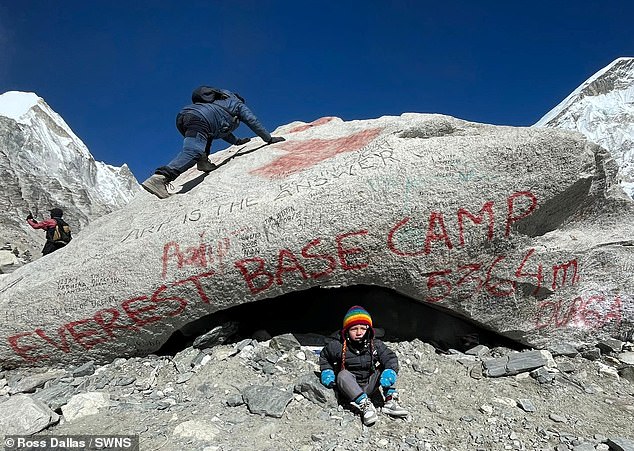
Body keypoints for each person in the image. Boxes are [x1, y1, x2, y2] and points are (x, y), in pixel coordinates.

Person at [141, 86, 286, 199]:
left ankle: (203, 162)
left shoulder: (217, 102)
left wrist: (236, 142)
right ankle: (161, 178)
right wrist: (269, 139)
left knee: (203, 138)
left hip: (185, 117)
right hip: (201, 120)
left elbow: (221, 129)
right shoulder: (237, 104)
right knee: (193, 151)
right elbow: (252, 121)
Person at [319, 305, 409, 426]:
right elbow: (325, 357)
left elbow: (390, 358)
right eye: (354, 329)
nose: (359, 332)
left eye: (363, 328)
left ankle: (389, 401)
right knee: (342, 375)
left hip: (369, 383)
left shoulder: (375, 344)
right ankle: (365, 405)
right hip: (349, 388)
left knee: (387, 367)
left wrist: (390, 371)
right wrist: (327, 371)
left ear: (369, 329)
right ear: (346, 330)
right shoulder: (337, 346)